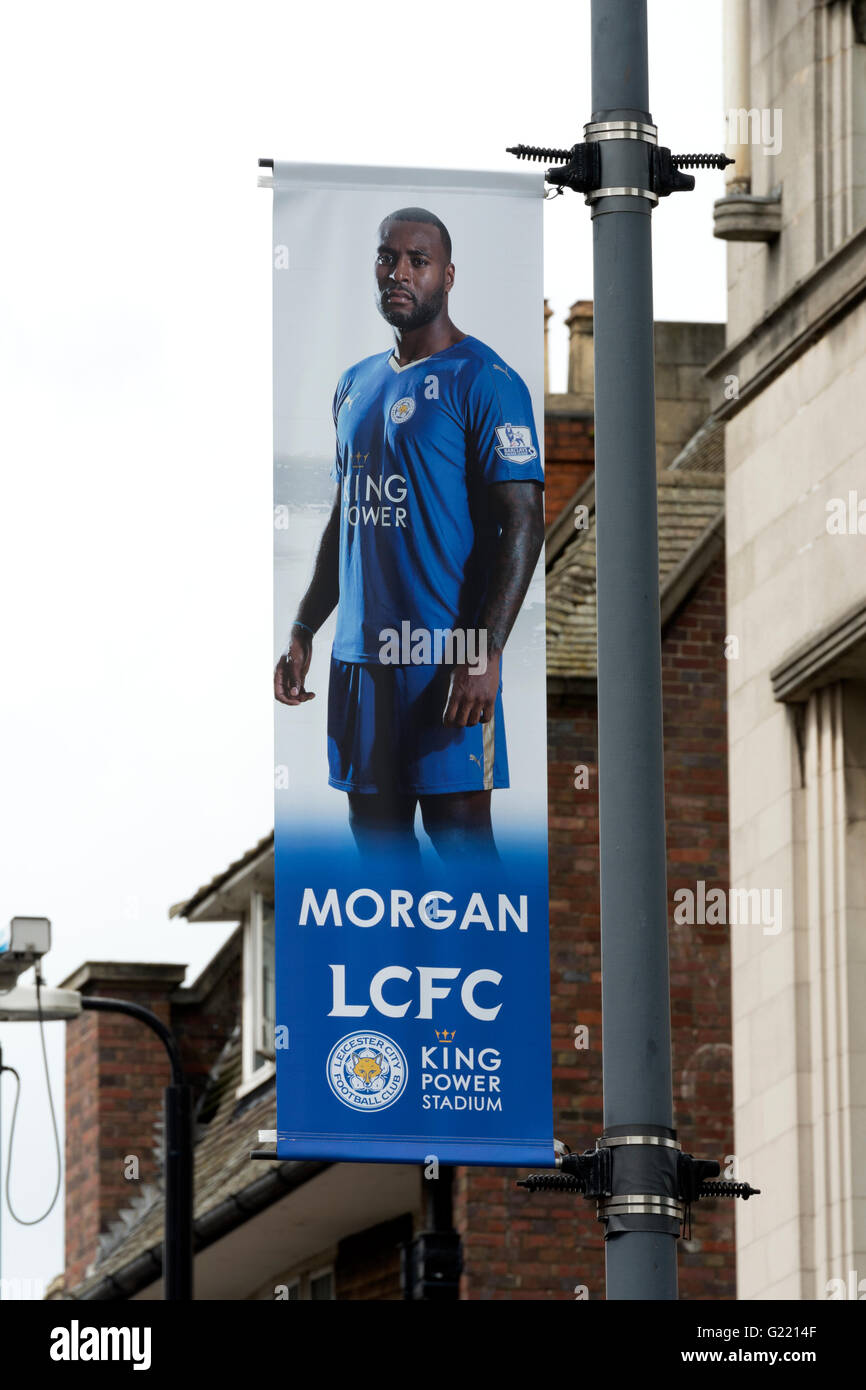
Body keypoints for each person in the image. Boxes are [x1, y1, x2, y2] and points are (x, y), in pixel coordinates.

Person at [274, 207, 544, 861]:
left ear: (447, 275)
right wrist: (306, 627)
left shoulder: (486, 380)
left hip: (443, 658)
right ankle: (393, 969)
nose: (399, 272)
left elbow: (524, 521)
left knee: (459, 840)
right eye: (386, 258)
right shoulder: (354, 385)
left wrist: (484, 650)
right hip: (359, 663)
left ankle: (478, 967)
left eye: (416, 261)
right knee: (377, 844)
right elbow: (348, 517)